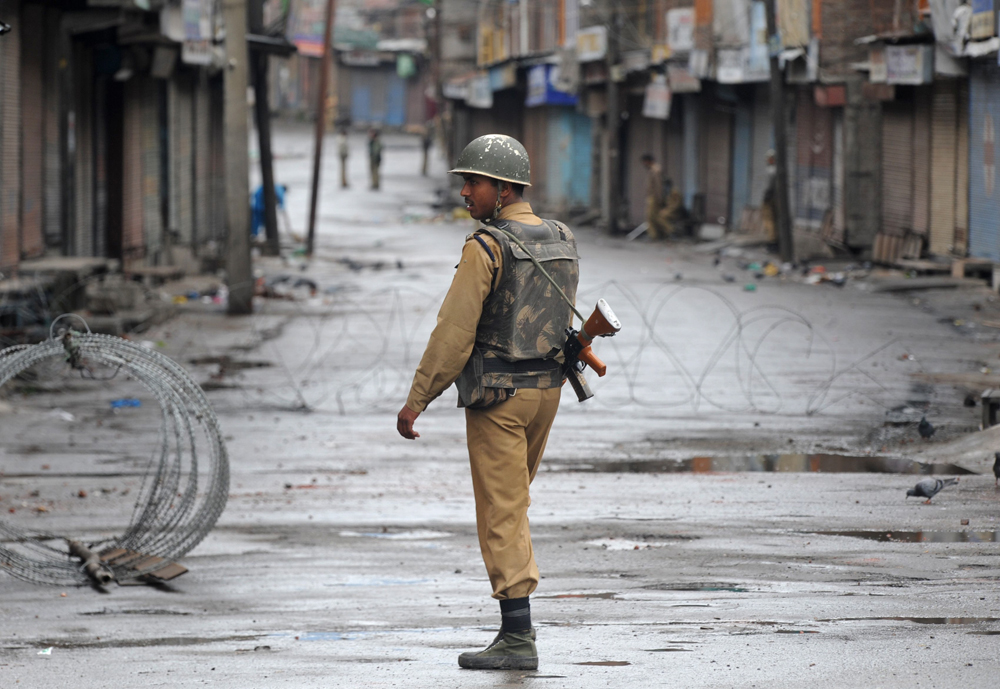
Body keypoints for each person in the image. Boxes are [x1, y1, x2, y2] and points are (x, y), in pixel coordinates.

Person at [396, 134, 580, 671]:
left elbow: (454, 332)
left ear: (502, 189)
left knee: (502, 513)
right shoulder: (562, 237)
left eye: (472, 182)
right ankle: (516, 630)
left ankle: (517, 638)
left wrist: (417, 399)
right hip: (547, 394)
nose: (464, 193)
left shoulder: (488, 246)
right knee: (514, 507)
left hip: (499, 398)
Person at [640, 153, 669, 239]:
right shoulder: (653, 170)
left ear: (648, 161)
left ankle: (666, 231)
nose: (644, 164)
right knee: (654, 217)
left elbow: (658, 186)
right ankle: (657, 235)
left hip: (654, 197)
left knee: (651, 217)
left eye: (644, 162)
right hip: (652, 197)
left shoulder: (655, 170)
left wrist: (659, 199)